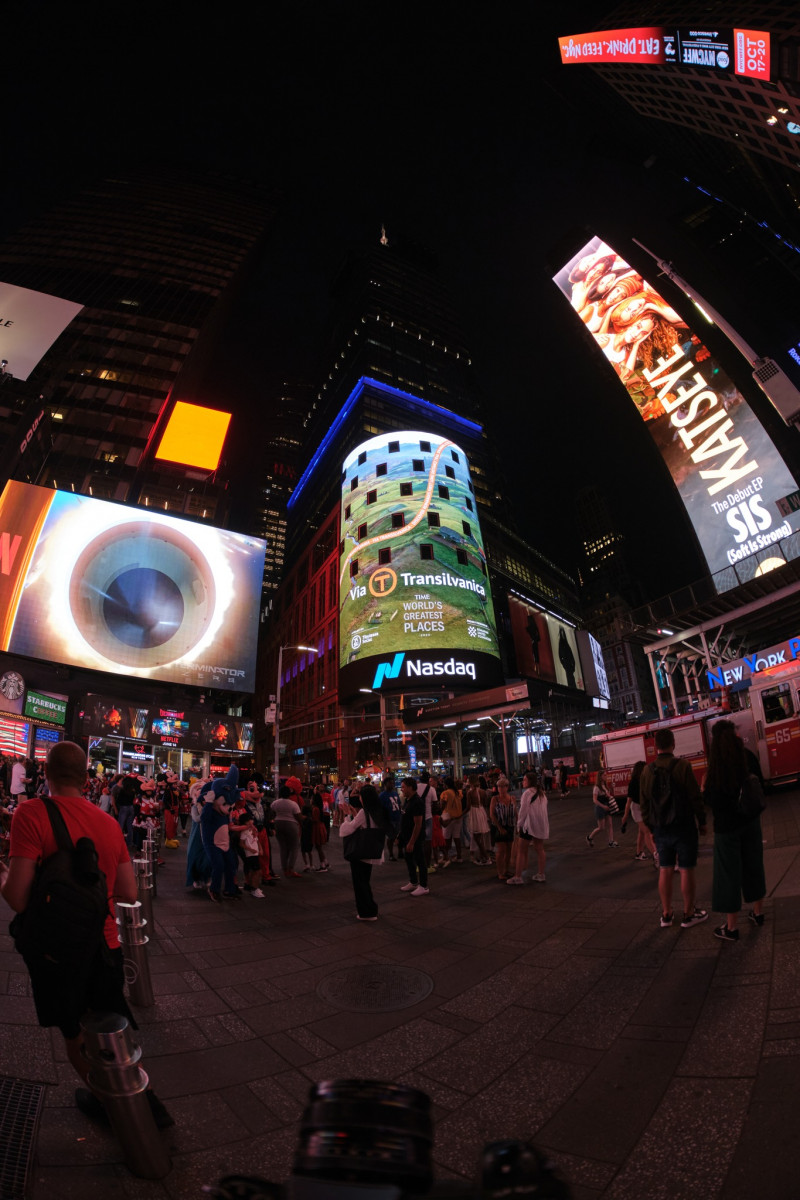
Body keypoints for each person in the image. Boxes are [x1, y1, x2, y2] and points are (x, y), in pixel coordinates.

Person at [0, 741, 173, 1129]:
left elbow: (17, 897)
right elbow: (129, 892)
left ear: (45, 772)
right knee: (110, 1025)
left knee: (74, 1029)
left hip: (58, 949)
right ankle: (141, 1101)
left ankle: (110, 1104)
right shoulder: (109, 824)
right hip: (105, 943)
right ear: (85, 777)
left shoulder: (30, 813)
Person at [703, 720, 766, 942]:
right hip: (750, 822)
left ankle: (731, 928)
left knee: (728, 875)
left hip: (727, 829)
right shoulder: (747, 757)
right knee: (754, 865)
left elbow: (711, 800)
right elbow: (760, 786)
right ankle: (758, 913)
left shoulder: (716, 766)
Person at [640, 728, 708, 931]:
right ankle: (688, 913)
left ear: (655, 747)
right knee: (686, 869)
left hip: (660, 828)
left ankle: (666, 913)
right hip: (684, 825)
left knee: (665, 869)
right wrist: (702, 821)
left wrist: (650, 827)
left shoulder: (647, 771)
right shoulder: (683, 766)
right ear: (673, 743)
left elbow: (644, 803)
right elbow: (695, 796)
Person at [339, 784, 389, 920]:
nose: (359, 798)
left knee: (359, 883)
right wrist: (352, 815)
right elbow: (363, 823)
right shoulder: (379, 810)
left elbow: (349, 829)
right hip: (372, 850)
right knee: (365, 881)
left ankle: (366, 912)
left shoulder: (364, 812)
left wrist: (346, 815)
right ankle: (371, 908)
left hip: (360, 852)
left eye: (360, 795)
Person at [508, 772, 548, 884]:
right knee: (540, 849)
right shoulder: (541, 793)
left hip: (529, 825)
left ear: (530, 781)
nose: (523, 781)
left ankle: (518, 876)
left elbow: (523, 811)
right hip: (540, 825)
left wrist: (519, 825)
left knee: (521, 850)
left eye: (525, 779)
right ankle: (541, 874)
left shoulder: (527, 794)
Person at [621, 761, 657, 864]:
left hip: (644, 807)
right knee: (646, 832)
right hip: (636, 808)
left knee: (641, 832)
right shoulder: (633, 783)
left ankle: (639, 853)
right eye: (645, 768)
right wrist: (625, 816)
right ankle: (655, 855)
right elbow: (629, 801)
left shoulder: (646, 780)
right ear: (641, 770)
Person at [399, 776, 428, 896]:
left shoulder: (417, 802)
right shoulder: (408, 800)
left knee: (420, 861)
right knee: (409, 859)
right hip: (407, 836)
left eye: (403, 787)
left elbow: (418, 824)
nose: (402, 790)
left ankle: (424, 886)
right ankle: (414, 882)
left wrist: (411, 841)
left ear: (411, 787)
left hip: (415, 837)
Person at [271, 784, 303, 877]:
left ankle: (284, 869)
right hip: (291, 824)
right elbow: (298, 817)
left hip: (278, 823)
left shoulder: (275, 803)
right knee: (294, 847)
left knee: (283, 847)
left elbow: (272, 813)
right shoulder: (293, 804)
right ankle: (291, 869)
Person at [489, 777, 517, 880]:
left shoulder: (512, 798)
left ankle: (506, 870)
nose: (500, 788)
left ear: (507, 787)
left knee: (509, 849)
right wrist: (499, 827)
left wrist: (518, 824)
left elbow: (515, 812)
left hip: (509, 825)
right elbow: (492, 814)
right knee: (501, 850)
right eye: (499, 786)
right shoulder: (495, 799)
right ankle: (500, 872)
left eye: (502, 786)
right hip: (498, 826)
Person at [587, 768, 618, 848]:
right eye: (604, 775)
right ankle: (590, 837)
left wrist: (609, 796)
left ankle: (611, 842)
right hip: (600, 808)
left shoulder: (605, 785)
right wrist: (603, 806)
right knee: (601, 827)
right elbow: (594, 800)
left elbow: (608, 796)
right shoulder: (596, 787)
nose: (606, 776)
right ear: (600, 776)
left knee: (610, 824)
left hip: (607, 806)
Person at [439, 777, 464, 865]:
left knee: (446, 838)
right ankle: (459, 856)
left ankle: (446, 857)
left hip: (448, 815)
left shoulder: (445, 793)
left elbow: (442, 805)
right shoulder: (458, 792)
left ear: (445, 785)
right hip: (458, 816)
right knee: (457, 837)